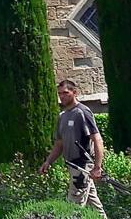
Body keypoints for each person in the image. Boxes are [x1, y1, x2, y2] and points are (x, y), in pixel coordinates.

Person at [38, 79, 105, 213]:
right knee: (94, 207)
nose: (62, 96)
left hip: (82, 166)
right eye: (60, 93)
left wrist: (97, 167)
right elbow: (59, 144)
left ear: (74, 93)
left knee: (72, 208)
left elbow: (97, 139)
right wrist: (48, 161)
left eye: (65, 93)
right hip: (72, 165)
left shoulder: (82, 112)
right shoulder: (62, 116)